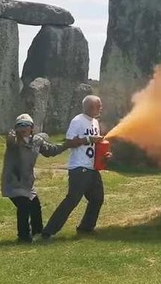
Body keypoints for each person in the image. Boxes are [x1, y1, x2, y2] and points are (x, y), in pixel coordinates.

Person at [41, 95, 111, 239]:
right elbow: (69, 142)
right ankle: (48, 232)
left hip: (92, 168)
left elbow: (94, 145)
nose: (101, 108)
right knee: (72, 200)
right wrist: (88, 139)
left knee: (97, 198)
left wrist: (105, 154)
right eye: (99, 106)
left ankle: (86, 228)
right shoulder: (77, 121)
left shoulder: (95, 123)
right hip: (79, 168)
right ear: (90, 107)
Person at [0, 114, 68, 243]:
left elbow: (50, 150)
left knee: (35, 206)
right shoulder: (14, 142)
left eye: (26, 125)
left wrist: (68, 144)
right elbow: (10, 141)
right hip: (13, 182)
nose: (23, 128)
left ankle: (38, 232)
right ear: (16, 128)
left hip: (27, 183)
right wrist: (10, 137)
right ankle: (23, 237)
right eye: (20, 125)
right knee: (23, 207)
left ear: (32, 128)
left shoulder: (37, 141)